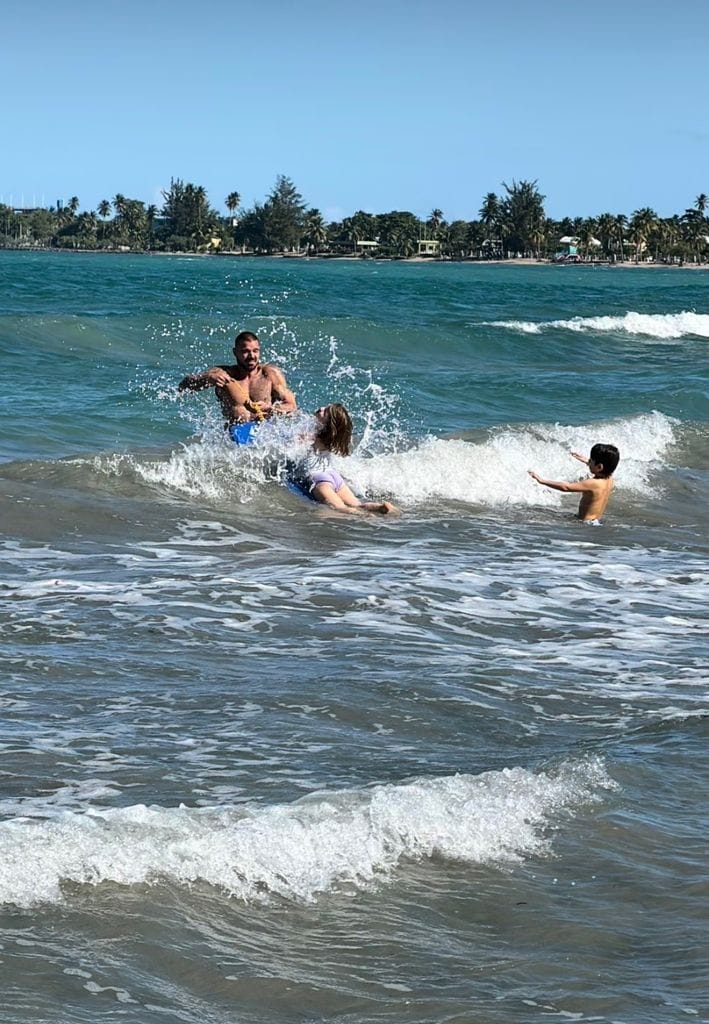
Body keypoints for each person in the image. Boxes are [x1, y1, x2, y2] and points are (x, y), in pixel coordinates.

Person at [296, 403, 400, 515]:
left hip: (319, 479)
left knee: (340, 508)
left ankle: (366, 518)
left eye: (325, 412)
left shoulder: (313, 436)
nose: (321, 408)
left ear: (327, 424)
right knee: (358, 504)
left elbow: (292, 448)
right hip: (334, 476)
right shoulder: (331, 440)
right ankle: (380, 507)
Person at [178, 331, 297, 427]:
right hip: (235, 435)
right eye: (245, 351)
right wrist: (208, 378)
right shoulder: (224, 374)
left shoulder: (270, 374)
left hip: (265, 434)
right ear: (235, 352)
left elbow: (291, 406)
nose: (251, 356)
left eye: (255, 351)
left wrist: (270, 409)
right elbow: (184, 386)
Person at [528, 443, 620, 524]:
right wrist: (585, 460)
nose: (589, 462)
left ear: (599, 467)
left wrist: (542, 480)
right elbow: (600, 467)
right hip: (595, 522)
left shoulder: (593, 483)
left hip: (585, 524)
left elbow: (566, 487)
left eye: (591, 460)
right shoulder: (609, 479)